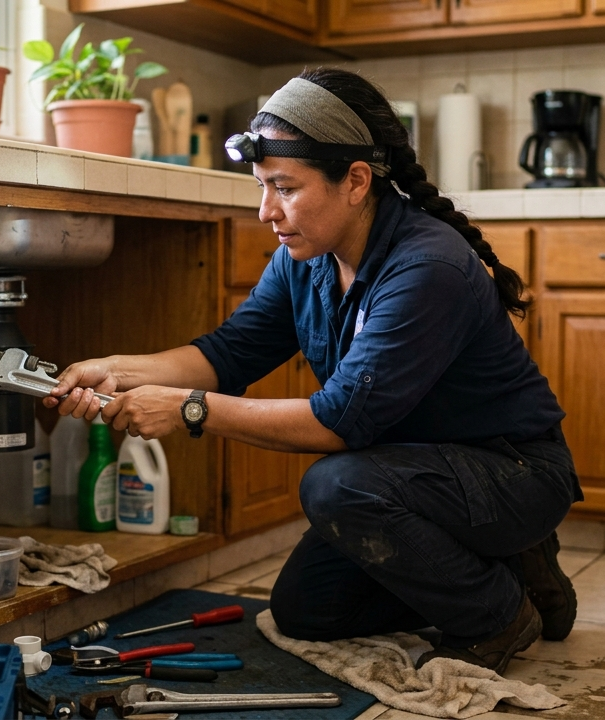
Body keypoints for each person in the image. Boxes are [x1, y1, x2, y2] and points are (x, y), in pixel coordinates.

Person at [44, 68, 582, 675]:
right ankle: (509, 564)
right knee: (306, 611)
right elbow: (227, 354)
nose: (265, 211)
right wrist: (119, 371)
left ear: (355, 181)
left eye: (284, 187)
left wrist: (188, 408)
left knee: (334, 485)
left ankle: (499, 613)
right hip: (413, 477)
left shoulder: (426, 267)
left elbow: (338, 425)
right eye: (260, 186)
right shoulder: (305, 256)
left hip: (512, 473)